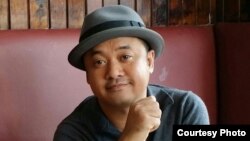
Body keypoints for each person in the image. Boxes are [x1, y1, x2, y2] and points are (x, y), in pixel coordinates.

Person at [53, 5, 209, 141]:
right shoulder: (71, 133)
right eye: (99, 62)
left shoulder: (185, 109)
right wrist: (134, 134)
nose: (113, 72)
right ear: (87, 74)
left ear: (149, 61)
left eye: (125, 57)